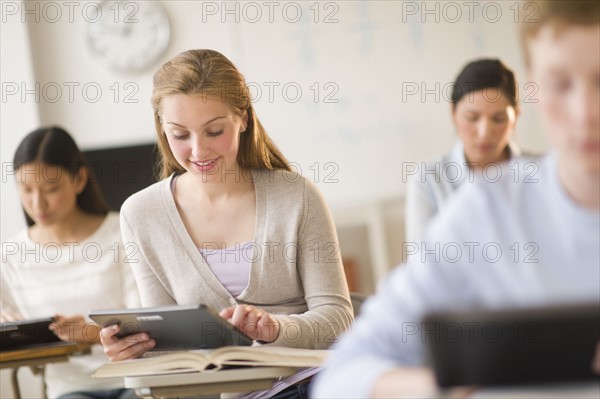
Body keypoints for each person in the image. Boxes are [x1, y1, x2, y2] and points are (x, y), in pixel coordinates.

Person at [312, 1, 600, 397]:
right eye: (560, 84)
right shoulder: (483, 209)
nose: (586, 113)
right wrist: (451, 386)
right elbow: (339, 379)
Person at [99, 49, 354, 398]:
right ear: (162, 127)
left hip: (310, 383)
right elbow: (169, 347)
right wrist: (132, 351)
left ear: (244, 119)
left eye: (214, 130)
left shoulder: (296, 196)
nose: (199, 151)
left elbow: (338, 317)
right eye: (180, 135)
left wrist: (275, 328)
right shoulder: (141, 214)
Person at [0, 126, 140, 399]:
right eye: (26, 189)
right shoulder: (12, 255)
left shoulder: (122, 233)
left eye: (50, 189)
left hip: (134, 377)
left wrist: (90, 333)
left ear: (79, 180)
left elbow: (147, 319)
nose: (37, 203)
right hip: (71, 388)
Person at [405, 58, 529, 244]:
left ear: (516, 116)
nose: (485, 132)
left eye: (498, 118)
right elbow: (423, 261)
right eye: (472, 117)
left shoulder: (544, 171)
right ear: (453, 113)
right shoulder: (429, 179)